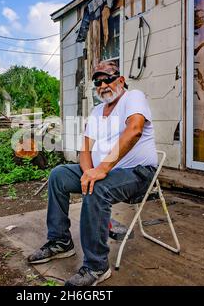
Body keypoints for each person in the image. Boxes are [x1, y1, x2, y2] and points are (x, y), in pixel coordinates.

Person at [27, 60, 158, 286]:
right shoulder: (97, 111)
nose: (103, 85)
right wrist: (89, 172)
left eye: (108, 78)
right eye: (98, 82)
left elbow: (135, 130)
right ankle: (60, 242)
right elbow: (85, 149)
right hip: (104, 172)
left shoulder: (133, 97)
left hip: (137, 173)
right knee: (59, 175)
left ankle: (97, 266)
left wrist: (101, 169)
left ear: (121, 80)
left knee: (97, 187)